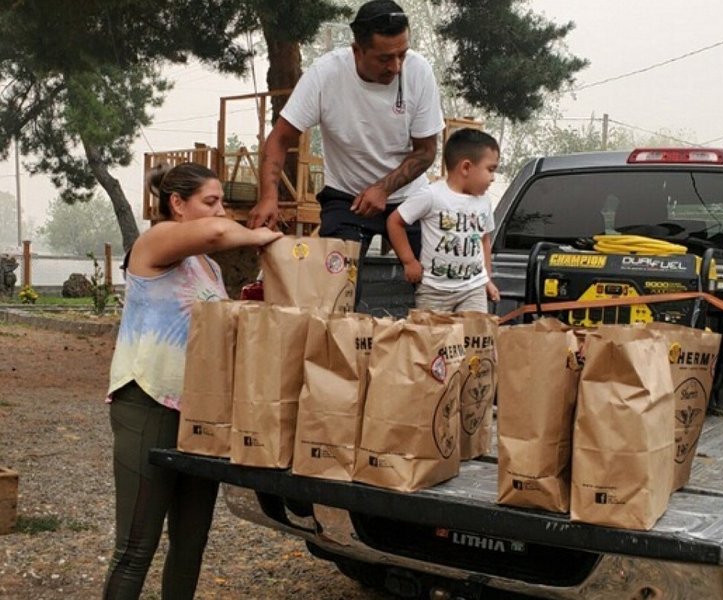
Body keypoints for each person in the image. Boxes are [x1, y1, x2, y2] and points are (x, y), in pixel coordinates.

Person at [103, 163, 282, 599]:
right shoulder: (153, 242)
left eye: (222, 201)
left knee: (191, 544)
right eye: (211, 201)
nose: (221, 211)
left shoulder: (209, 269)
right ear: (177, 205)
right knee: (135, 547)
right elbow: (219, 234)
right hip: (147, 401)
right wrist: (261, 235)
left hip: (200, 414)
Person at [247, 0, 444, 258]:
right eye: (385, 58)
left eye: (402, 55)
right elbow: (280, 139)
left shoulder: (419, 72)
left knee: (433, 281)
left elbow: (426, 152)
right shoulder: (325, 74)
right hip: (347, 199)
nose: (396, 67)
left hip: (408, 197)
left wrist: (383, 189)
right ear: (357, 50)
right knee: (338, 286)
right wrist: (268, 198)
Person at [386, 128, 501, 312]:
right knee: (433, 339)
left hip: (473, 290)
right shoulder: (432, 195)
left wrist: (486, 279)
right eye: (490, 169)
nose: (493, 178)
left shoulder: (485, 201)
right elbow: (395, 222)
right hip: (434, 291)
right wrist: (408, 261)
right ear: (466, 167)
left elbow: (484, 240)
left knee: (475, 338)